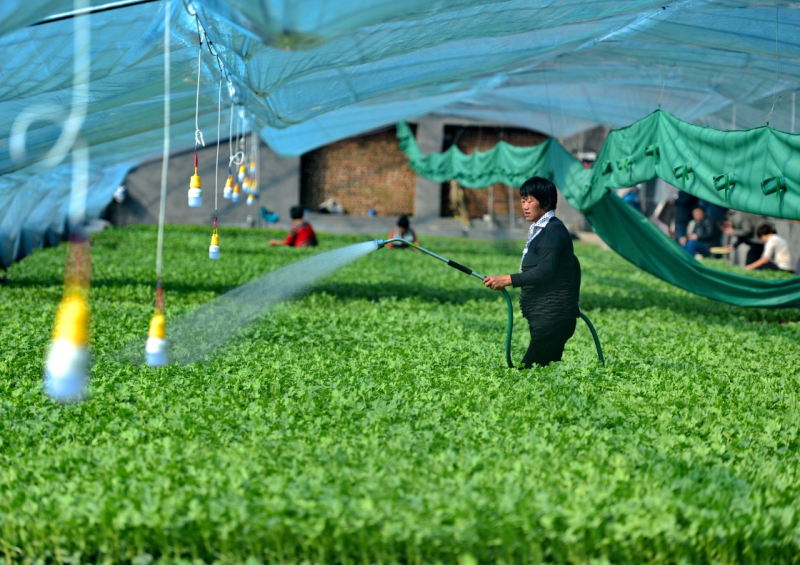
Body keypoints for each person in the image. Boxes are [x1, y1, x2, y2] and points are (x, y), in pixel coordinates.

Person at [483, 177, 581, 368]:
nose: (525, 206)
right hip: (546, 318)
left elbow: (546, 271)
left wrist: (507, 279)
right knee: (543, 375)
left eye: (530, 201)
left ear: (545, 202)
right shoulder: (541, 229)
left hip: (552, 318)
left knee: (528, 373)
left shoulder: (552, 230)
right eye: (523, 200)